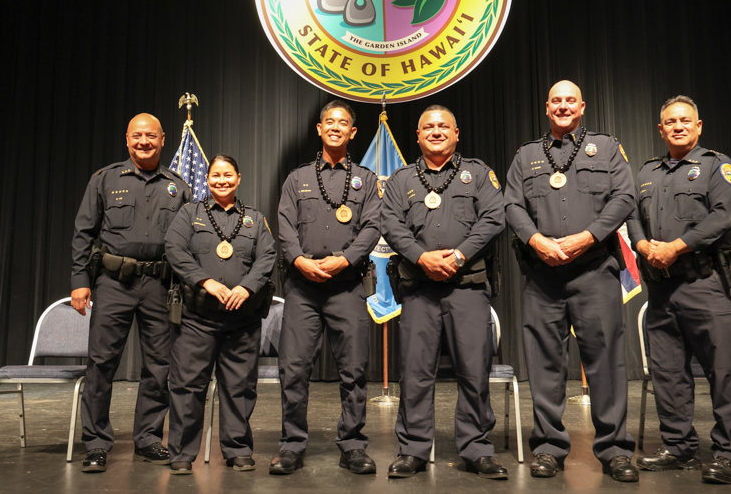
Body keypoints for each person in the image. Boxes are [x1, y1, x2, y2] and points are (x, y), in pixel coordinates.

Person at [503, 80, 638, 482]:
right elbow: (511, 203)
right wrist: (536, 240)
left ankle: (614, 450)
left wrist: (589, 236)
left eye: (570, 101)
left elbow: (625, 198)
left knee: (607, 363)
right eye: (556, 101)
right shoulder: (526, 155)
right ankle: (547, 447)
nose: (563, 106)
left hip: (594, 270)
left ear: (582, 106)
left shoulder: (608, 148)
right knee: (544, 365)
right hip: (544, 274)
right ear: (547, 108)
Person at [625, 95, 731, 485]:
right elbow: (632, 217)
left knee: (723, 372)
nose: (677, 126)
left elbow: (722, 217)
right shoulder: (647, 173)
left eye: (685, 121)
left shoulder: (718, 166)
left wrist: (676, 247)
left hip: (705, 285)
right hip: (661, 290)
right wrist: (644, 247)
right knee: (667, 372)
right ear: (660, 130)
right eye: (670, 122)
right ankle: (678, 447)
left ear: (698, 126)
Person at [380, 105, 507, 480]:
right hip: (419, 288)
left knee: (473, 370)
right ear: (418, 136)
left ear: (456, 134)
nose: (436, 132)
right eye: (428, 128)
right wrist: (421, 257)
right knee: (415, 372)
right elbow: (390, 222)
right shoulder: (402, 179)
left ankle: (477, 449)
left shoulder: (479, 174)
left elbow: (494, 217)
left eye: (443, 127)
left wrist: (460, 254)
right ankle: (414, 450)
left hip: (466, 286)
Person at [69, 113, 191, 472]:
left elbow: (187, 240)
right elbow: (83, 233)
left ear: (163, 139)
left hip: (160, 286)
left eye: (150, 136)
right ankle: (95, 443)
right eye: (137, 136)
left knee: (159, 366)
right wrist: (80, 280)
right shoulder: (105, 179)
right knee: (101, 364)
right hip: (113, 284)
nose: (144, 142)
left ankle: (149, 438)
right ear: (127, 139)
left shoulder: (178, 186)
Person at [270, 100, 381, 476]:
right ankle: (291, 445)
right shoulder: (296, 178)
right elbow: (284, 224)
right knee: (294, 368)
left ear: (352, 132)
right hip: (302, 287)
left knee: (354, 369)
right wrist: (299, 260)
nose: (335, 127)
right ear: (319, 129)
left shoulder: (366, 181)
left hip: (346, 286)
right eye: (329, 122)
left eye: (343, 123)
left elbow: (372, 227)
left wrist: (346, 259)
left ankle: (352, 445)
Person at [164, 154, 276, 475]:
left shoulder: (255, 219)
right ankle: (183, 454)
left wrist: (248, 287)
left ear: (238, 179)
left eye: (228, 175)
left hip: (242, 319)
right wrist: (206, 281)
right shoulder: (189, 214)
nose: (222, 180)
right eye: (216, 175)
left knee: (239, 387)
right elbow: (174, 249)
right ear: (207, 178)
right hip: (197, 317)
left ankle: (237, 449)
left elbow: (267, 256)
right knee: (188, 387)